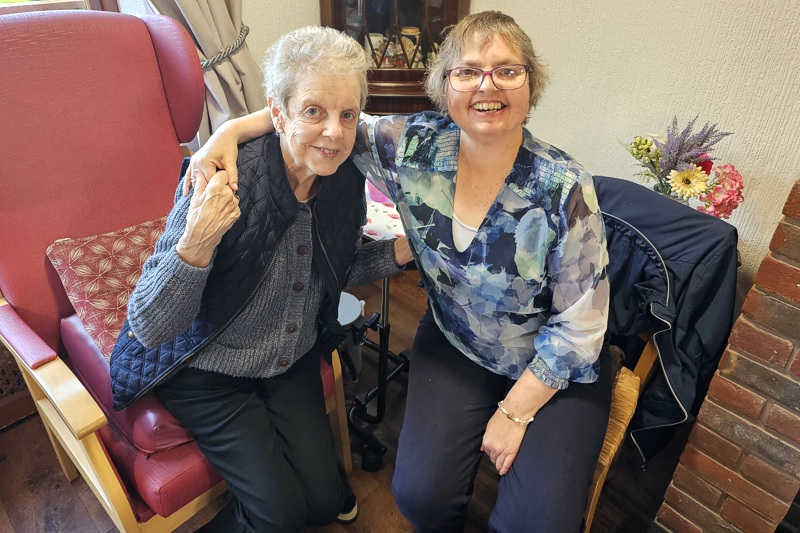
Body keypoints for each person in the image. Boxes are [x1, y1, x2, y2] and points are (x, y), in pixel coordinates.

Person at [186, 11, 613, 532]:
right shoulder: (413, 146)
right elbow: (324, 122)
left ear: (530, 83)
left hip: (551, 364)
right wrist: (226, 131)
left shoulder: (564, 188)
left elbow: (582, 327)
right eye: (468, 71)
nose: (487, 85)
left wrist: (515, 411)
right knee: (419, 498)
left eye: (507, 70)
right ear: (444, 84)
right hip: (458, 342)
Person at [109, 26, 412, 532]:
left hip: (287, 358)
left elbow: (337, 265)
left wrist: (400, 252)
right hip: (209, 368)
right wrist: (197, 245)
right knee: (283, 517)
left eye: (347, 114)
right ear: (278, 113)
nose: (334, 132)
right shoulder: (223, 176)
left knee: (321, 503)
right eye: (313, 111)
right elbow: (148, 325)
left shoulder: (342, 177)